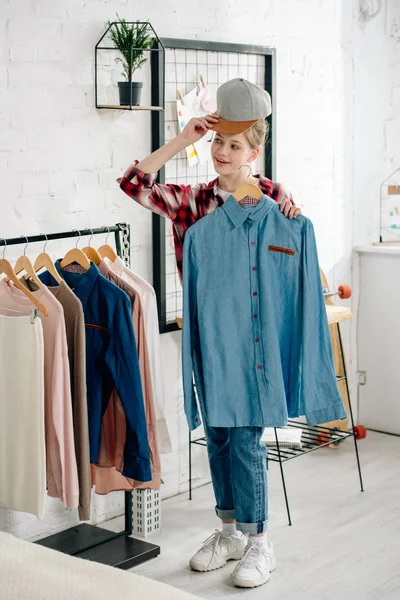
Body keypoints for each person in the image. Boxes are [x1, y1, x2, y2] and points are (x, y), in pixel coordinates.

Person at [118, 78, 302, 589]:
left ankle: (260, 541)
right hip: (207, 338)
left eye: (233, 144)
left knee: (245, 438)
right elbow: (134, 184)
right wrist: (183, 138)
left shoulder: (269, 197)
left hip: (255, 340)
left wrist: (288, 210)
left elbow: (291, 255)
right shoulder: (191, 201)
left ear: (255, 150)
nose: (221, 152)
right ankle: (228, 531)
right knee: (218, 435)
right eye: (217, 141)